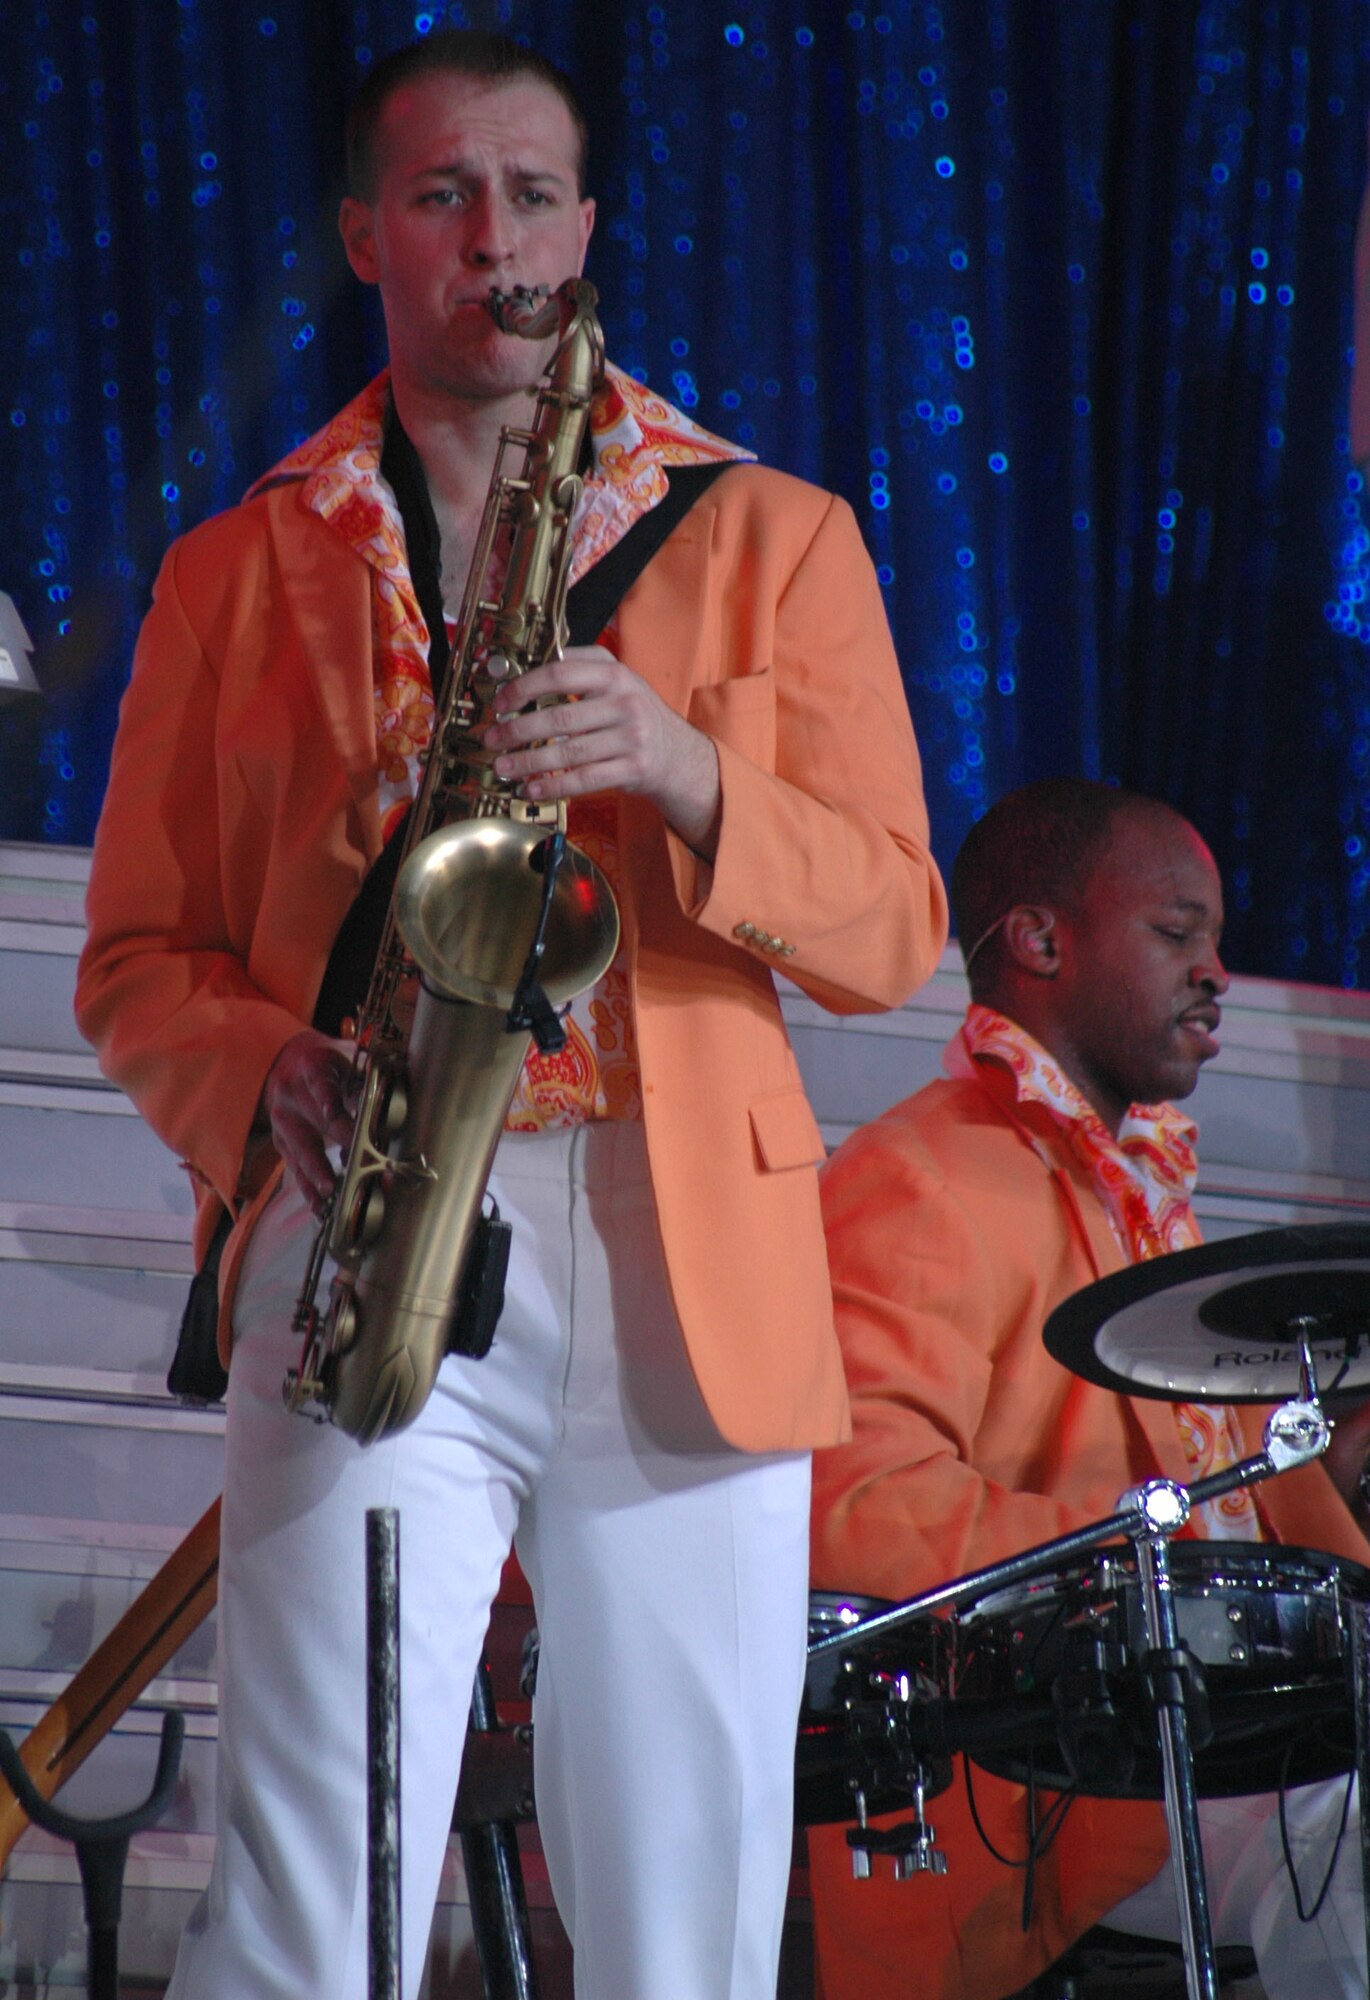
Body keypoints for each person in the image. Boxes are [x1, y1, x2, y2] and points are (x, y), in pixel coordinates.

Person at [72, 29, 947, 2000]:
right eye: (446, 194)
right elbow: (133, 962)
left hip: (679, 1239)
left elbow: (895, 923)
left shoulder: (772, 534)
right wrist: (257, 1071)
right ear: (362, 231)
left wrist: (685, 765)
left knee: (685, 1905)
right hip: (376, 1201)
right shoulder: (232, 571)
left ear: (589, 227)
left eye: (534, 193)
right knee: (323, 1878)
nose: (494, 237)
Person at [807, 778, 1370, 2000]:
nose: (1213, 970)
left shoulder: (1132, 1189)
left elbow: (1239, 1505)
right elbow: (850, 1507)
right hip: (1068, 1787)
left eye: (1215, 941)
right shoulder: (915, 1173)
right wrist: (1159, 1579)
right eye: (1176, 934)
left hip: (1244, 1736)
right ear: (1041, 938)